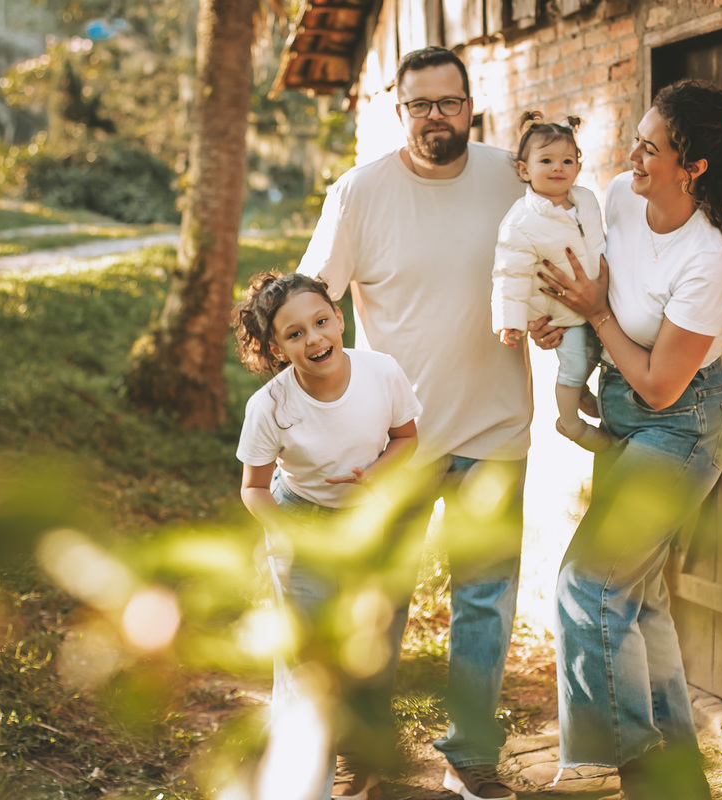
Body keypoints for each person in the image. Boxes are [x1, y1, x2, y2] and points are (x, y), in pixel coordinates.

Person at [295, 46, 531, 800]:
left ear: (471, 106)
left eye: (449, 102)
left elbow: (561, 258)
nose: (437, 117)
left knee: (485, 604)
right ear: (398, 112)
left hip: (495, 432)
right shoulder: (359, 193)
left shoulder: (513, 177)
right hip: (394, 441)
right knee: (378, 601)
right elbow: (311, 303)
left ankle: (472, 755)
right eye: (420, 105)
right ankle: (363, 754)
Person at [533, 80, 722, 800]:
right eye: (636, 142)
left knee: (587, 585)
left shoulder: (709, 260)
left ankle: (605, 764)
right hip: (623, 414)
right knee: (637, 600)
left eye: (649, 148)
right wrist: (561, 320)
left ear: (692, 167)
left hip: (679, 427)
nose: (631, 157)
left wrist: (596, 315)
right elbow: (597, 288)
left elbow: (661, 385)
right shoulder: (617, 199)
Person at [233, 271, 424, 800]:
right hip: (299, 522)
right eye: (295, 334)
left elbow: (405, 437)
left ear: (339, 318)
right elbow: (254, 488)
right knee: (307, 669)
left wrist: (374, 474)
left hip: (365, 525)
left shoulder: (381, 371)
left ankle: (358, 763)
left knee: (363, 653)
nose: (314, 339)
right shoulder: (270, 406)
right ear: (277, 348)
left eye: (321, 322)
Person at [490, 111, 608, 453]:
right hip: (560, 313)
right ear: (524, 170)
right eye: (546, 160)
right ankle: (570, 423)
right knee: (574, 364)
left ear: (578, 167)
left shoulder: (586, 200)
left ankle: (585, 394)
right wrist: (510, 321)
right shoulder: (520, 221)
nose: (558, 167)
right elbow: (509, 274)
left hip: (598, 303)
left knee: (598, 356)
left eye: (567, 161)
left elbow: (599, 244)